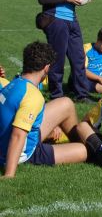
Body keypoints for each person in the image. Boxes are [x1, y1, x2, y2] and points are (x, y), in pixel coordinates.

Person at [0, 42, 87, 178]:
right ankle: (81, 143)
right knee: (83, 151)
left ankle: (75, 140)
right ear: (46, 68)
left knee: (66, 103)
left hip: (5, 141)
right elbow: (18, 135)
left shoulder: (14, 82)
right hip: (24, 152)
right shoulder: (32, 96)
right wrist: (9, 174)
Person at [35, 0, 89, 102]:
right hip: (56, 20)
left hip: (71, 18)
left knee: (78, 57)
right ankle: (57, 95)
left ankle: (82, 95)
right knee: (57, 59)